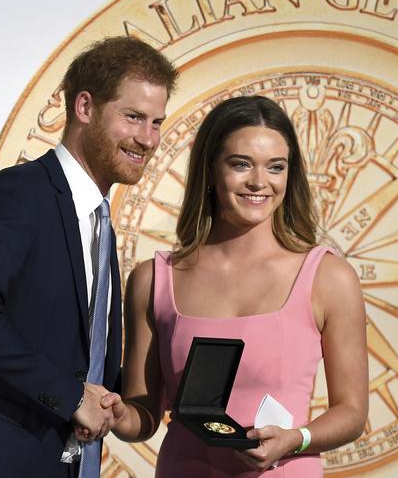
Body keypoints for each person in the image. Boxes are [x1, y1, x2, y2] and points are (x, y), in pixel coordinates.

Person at [0, 36, 177, 478]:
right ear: (84, 107)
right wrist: (70, 397)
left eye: (156, 122)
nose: (148, 139)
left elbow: (78, 358)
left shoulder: (99, 223)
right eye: (133, 117)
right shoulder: (17, 193)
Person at [101, 95, 368, 477]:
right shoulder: (152, 279)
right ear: (210, 170)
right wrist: (116, 412)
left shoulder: (328, 277)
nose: (259, 182)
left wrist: (296, 439)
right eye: (241, 164)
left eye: (275, 167)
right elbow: (143, 416)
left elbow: (353, 413)